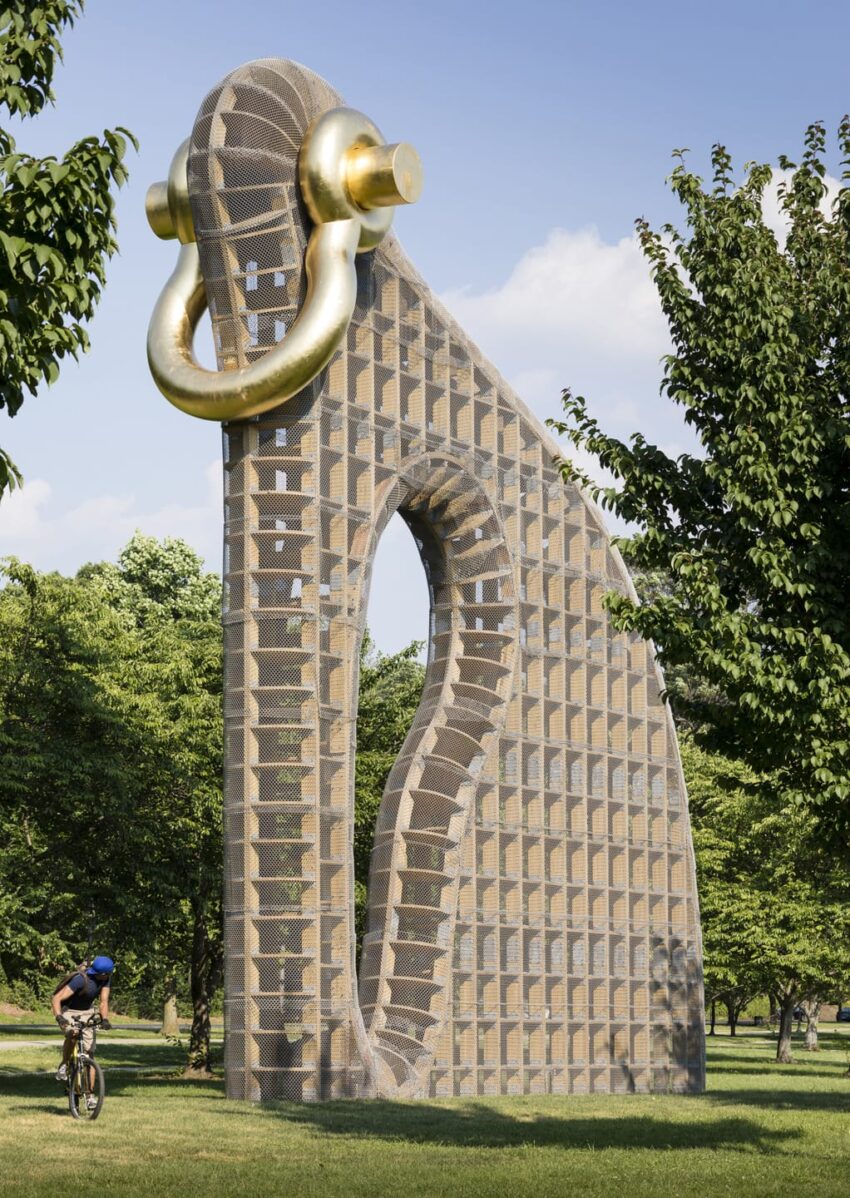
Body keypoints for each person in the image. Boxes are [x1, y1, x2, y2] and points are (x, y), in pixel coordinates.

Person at [53, 956, 114, 1093]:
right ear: (102, 974)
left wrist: (105, 1019)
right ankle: (64, 1064)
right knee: (73, 1034)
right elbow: (56, 998)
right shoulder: (80, 980)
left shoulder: (105, 979)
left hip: (87, 1012)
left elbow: (103, 1001)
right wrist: (59, 1017)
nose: (110, 975)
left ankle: (90, 1094)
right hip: (68, 1011)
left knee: (89, 1054)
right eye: (109, 973)